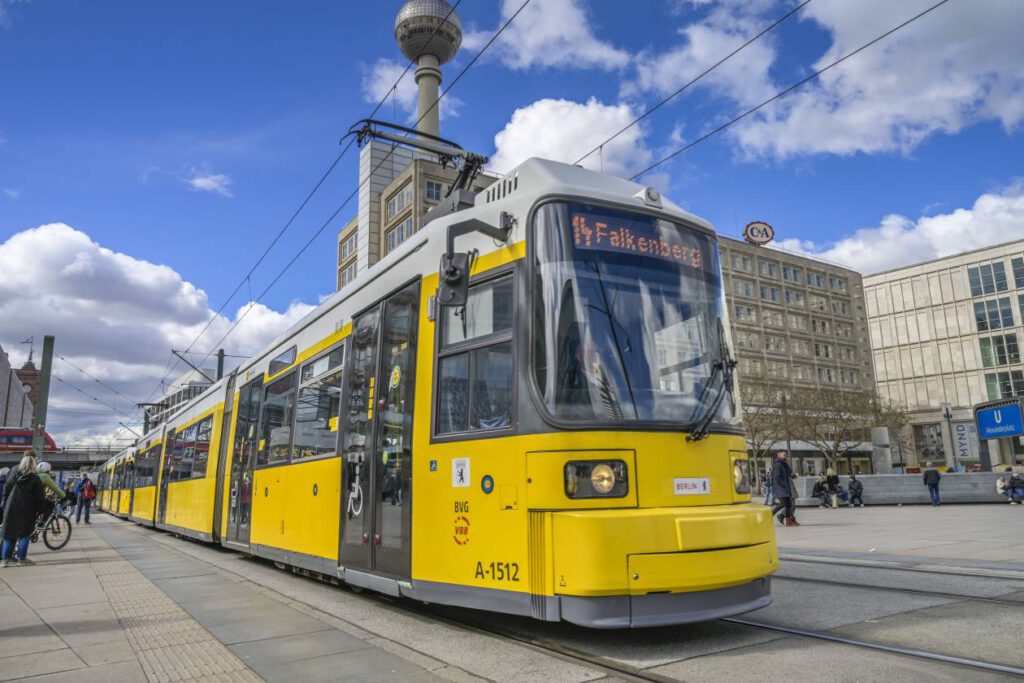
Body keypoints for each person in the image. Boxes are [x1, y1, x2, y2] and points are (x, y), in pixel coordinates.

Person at [1, 452, 48, 567]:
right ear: (33, 464)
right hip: (28, 510)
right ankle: (21, 560)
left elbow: (6, 489)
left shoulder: (13, 471)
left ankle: (4, 560)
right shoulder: (35, 478)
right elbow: (39, 497)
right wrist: (41, 510)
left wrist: (5, 504)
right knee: (24, 534)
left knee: (8, 534)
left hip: (11, 507)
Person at [770, 450, 799, 527]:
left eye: (786, 454)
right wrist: (783, 485)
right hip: (781, 488)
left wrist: (794, 476)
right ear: (778, 455)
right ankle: (770, 514)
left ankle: (789, 522)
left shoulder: (783, 464)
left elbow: (789, 474)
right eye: (784, 454)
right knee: (783, 503)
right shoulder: (778, 464)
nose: (786, 456)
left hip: (785, 487)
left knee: (789, 504)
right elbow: (777, 477)